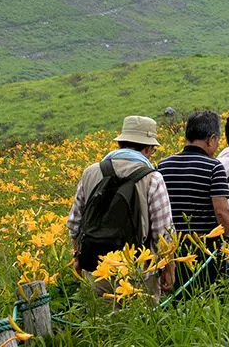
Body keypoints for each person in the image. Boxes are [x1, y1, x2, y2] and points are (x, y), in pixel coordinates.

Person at [67, 115, 174, 296]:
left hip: (97, 268)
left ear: (120, 144)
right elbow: (163, 233)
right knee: (141, 322)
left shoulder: (90, 172)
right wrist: (168, 268)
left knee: (102, 321)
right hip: (140, 271)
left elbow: (74, 224)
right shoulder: (153, 178)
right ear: (148, 148)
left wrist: (78, 257)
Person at [156, 110, 229, 290]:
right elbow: (222, 210)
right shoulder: (214, 167)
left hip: (171, 249)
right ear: (211, 139)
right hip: (205, 248)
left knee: (179, 300)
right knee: (209, 295)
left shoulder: (162, 165)